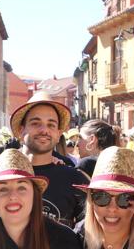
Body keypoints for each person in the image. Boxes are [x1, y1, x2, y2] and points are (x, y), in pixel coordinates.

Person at [10, 91, 89, 227]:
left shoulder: (75, 180)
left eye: (51, 125)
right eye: (35, 123)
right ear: (22, 130)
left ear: (58, 134)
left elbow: (89, 231)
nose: (44, 130)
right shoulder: (2, 175)